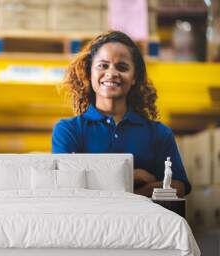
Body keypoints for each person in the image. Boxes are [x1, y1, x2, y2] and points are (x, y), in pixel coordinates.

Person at [52, 31, 190, 197]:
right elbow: (67, 187)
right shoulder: (68, 131)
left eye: (122, 67)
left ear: (134, 78)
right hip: (88, 222)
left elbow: (178, 186)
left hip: (141, 223)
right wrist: (134, 177)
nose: (112, 72)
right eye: (103, 65)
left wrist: (96, 181)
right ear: (90, 73)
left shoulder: (159, 133)